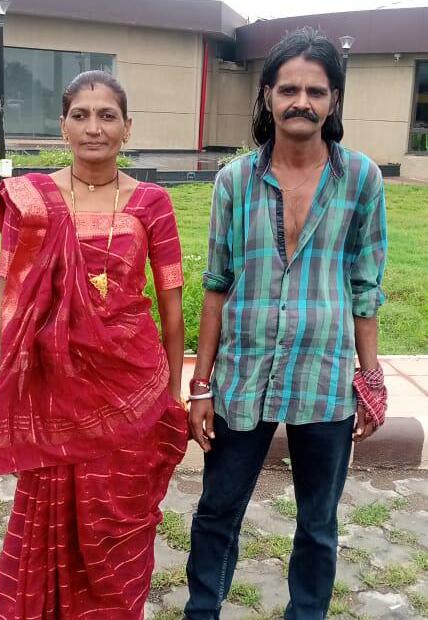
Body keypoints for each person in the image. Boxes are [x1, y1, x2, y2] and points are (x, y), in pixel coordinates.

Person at [185, 28, 388, 620]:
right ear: (268, 95)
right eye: (289, 89)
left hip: (324, 378)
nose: (302, 102)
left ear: (334, 100)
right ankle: (202, 610)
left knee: (318, 522)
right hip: (243, 376)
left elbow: (366, 287)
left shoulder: (362, 179)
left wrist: (371, 379)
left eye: (316, 91)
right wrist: (202, 385)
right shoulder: (234, 181)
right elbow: (216, 284)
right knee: (217, 510)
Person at [0, 70, 188, 620]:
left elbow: (171, 308)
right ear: (63, 127)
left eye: (107, 116)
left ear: (127, 128)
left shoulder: (152, 202)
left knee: (120, 524)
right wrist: (12, 379)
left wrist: (173, 394)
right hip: (54, 389)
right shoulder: (32, 201)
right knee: (50, 518)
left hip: (132, 387)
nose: (93, 127)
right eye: (81, 115)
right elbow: (11, 298)